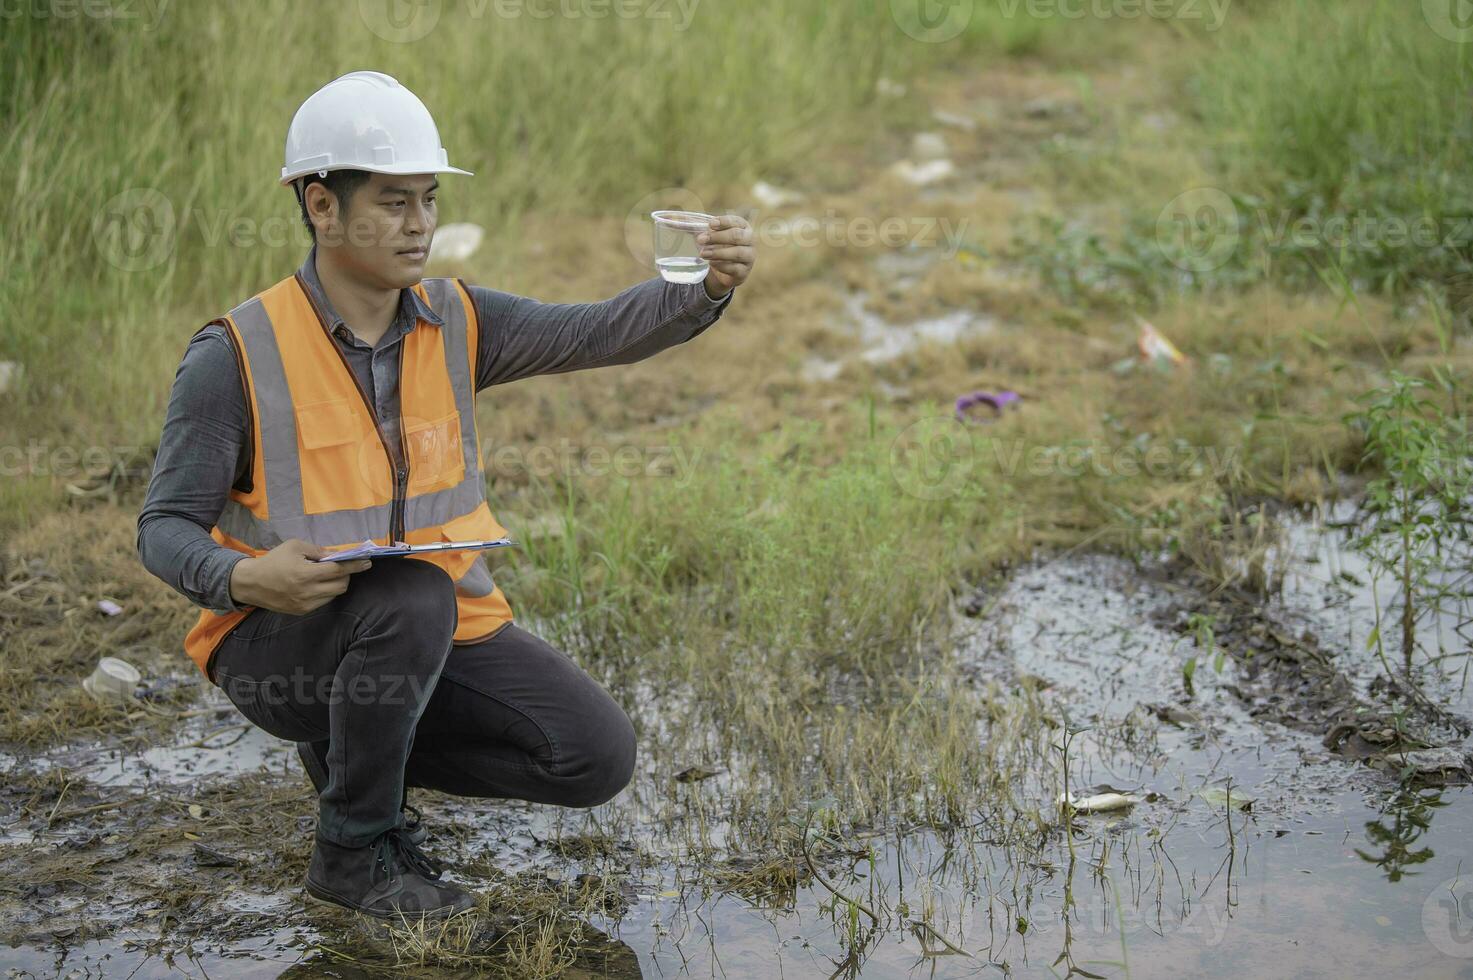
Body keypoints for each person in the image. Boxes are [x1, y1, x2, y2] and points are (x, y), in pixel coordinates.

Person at [135, 70, 754, 920]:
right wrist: (247, 580)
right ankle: (353, 851)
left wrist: (705, 288)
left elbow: (598, 328)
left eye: (427, 200)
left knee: (592, 756)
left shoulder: (457, 318)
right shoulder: (235, 353)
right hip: (277, 642)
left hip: (426, 629)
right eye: (394, 202)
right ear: (321, 206)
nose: (420, 224)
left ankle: (359, 756)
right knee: (411, 596)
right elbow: (163, 527)